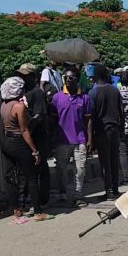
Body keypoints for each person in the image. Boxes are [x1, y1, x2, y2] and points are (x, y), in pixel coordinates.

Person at [0, 77, 52, 221]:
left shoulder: (4, 105)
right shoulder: (19, 106)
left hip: (7, 142)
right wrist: (34, 151)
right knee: (31, 177)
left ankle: (16, 208)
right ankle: (38, 212)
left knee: (11, 176)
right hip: (19, 143)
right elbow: (24, 130)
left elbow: (6, 127)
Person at [51, 67, 93, 208]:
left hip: (80, 139)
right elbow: (53, 118)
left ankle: (78, 195)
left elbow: (88, 120)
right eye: (66, 77)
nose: (68, 80)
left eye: (71, 77)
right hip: (61, 140)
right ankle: (63, 193)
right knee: (61, 169)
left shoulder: (85, 98)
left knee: (80, 169)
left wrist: (89, 139)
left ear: (77, 79)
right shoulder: (57, 98)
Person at [16, 63, 51, 208]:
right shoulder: (24, 93)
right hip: (28, 137)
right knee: (28, 169)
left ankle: (42, 199)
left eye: (25, 76)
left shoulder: (37, 93)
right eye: (20, 76)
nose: (22, 78)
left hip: (38, 137)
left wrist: (27, 130)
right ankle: (28, 198)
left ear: (33, 77)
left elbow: (38, 116)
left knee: (40, 168)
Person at [89, 64, 123, 200]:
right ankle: (115, 189)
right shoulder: (115, 90)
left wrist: (90, 138)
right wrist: (121, 128)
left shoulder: (93, 93)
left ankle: (108, 191)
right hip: (115, 129)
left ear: (95, 76)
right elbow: (121, 111)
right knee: (114, 160)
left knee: (105, 163)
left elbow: (91, 117)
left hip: (102, 131)